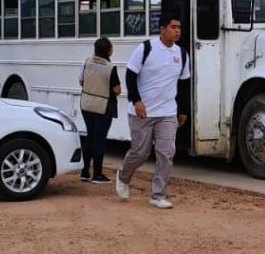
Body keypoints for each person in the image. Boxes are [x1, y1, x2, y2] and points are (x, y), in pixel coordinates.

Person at [115, 13, 191, 209]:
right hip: (142, 111)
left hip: (167, 112)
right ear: (162, 29)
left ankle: (158, 195)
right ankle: (123, 176)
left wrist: (182, 109)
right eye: (173, 27)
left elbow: (183, 84)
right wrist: (137, 100)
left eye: (179, 28)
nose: (177, 31)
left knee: (166, 153)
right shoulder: (146, 48)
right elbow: (130, 76)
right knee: (140, 152)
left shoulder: (182, 54)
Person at [79, 37, 122, 183]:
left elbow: (81, 81)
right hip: (102, 106)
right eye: (111, 48)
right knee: (99, 140)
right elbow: (117, 90)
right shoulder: (110, 67)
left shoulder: (87, 62)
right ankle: (97, 174)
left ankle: (85, 172)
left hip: (86, 104)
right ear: (108, 51)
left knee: (89, 137)